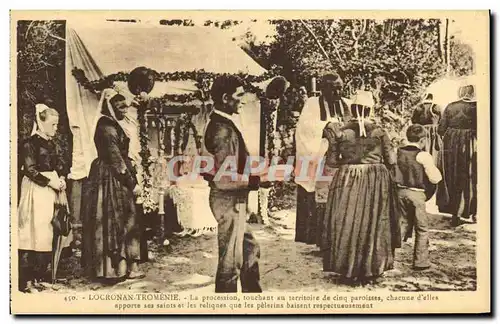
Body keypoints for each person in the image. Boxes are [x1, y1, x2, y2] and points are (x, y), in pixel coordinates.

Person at [321, 90, 400, 284]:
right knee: (374, 219)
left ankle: (348, 266)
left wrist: (349, 165)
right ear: (370, 108)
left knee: (348, 219)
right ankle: (372, 267)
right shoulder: (380, 131)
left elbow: (331, 162)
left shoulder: (340, 131)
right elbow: (391, 159)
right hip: (376, 179)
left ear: (352, 108)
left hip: (348, 179)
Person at [203, 75, 262, 293]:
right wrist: (257, 181)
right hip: (228, 200)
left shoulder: (224, 125)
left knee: (249, 250)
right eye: (239, 96)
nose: (243, 100)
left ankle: (253, 300)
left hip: (233, 199)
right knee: (231, 262)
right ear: (226, 98)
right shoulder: (222, 130)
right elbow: (224, 178)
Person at [81, 89, 144, 282]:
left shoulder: (112, 124)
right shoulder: (107, 127)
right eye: (120, 106)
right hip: (111, 178)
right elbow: (116, 158)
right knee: (115, 219)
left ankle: (123, 267)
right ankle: (116, 269)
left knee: (122, 219)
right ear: (109, 106)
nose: (125, 110)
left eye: (126, 106)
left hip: (113, 174)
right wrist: (131, 183)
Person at [294, 73, 351, 245]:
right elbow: (304, 126)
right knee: (313, 192)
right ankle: (312, 236)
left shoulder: (346, 103)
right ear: (323, 89)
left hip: (337, 157)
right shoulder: (312, 103)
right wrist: (325, 126)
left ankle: (335, 236)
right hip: (318, 154)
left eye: (340, 88)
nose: (338, 92)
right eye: (333, 89)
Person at [18, 103, 67, 292]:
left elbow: (60, 164)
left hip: (52, 190)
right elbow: (30, 170)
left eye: (57, 125)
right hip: (36, 190)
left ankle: (38, 277)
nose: (55, 128)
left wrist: (61, 178)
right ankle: (27, 281)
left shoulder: (51, 143)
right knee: (32, 234)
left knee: (47, 233)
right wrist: (51, 182)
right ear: (41, 122)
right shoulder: (29, 144)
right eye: (52, 125)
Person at [394, 124, 443, 270]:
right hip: (416, 194)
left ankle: (389, 258)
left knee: (399, 224)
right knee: (421, 228)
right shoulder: (423, 155)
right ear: (422, 140)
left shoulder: (397, 153)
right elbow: (435, 178)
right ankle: (420, 262)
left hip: (399, 192)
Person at [436, 79, 477, 226]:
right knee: (471, 176)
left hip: (451, 145)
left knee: (453, 176)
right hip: (471, 144)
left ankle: (455, 212)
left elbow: (441, 129)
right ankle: (472, 212)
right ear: (472, 92)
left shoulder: (451, 106)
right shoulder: (477, 106)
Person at [411, 93, 443, 164]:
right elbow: (442, 120)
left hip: (422, 130)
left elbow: (413, 120)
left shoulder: (419, 107)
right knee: (434, 149)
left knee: (423, 148)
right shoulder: (436, 107)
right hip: (433, 130)